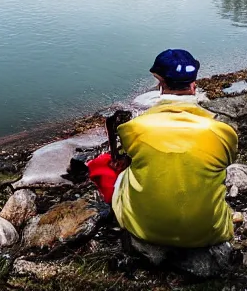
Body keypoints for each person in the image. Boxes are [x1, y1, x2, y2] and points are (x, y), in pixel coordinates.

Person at [87, 49, 238, 249]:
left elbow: (124, 160)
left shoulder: (134, 129)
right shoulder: (222, 132)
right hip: (208, 232)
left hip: (144, 230)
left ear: (160, 84)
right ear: (193, 85)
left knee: (110, 167)